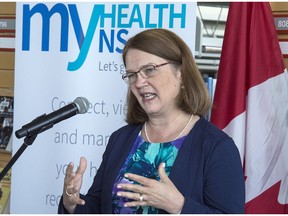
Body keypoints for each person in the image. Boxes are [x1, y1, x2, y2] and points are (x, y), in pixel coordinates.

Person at [58, 28, 245, 214]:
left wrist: (180, 206)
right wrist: (72, 204)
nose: (139, 83)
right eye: (132, 75)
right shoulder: (120, 139)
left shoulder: (216, 146)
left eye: (149, 70)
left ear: (180, 72)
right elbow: (98, 207)